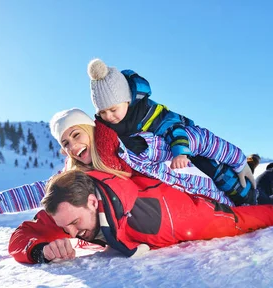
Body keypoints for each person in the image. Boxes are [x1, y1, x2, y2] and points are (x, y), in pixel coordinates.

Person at [0, 109, 273, 222]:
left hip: (210, 191)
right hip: (192, 210)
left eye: (76, 134)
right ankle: (272, 171)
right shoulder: (82, 173)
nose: (73, 144)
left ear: (89, 129)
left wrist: (234, 160)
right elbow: (43, 191)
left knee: (258, 205)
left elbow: (190, 138)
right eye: (66, 142)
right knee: (254, 203)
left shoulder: (132, 145)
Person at [8, 169, 273, 264]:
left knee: (258, 199)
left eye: (74, 224)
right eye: (63, 227)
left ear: (93, 202)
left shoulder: (159, 219)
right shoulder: (69, 205)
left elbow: (231, 221)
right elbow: (21, 237)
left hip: (210, 200)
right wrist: (39, 251)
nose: (68, 234)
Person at [88, 58, 253, 205]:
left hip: (192, 152)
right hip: (169, 171)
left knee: (230, 182)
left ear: (127, 100)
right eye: (102, 112)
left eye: (112, 109)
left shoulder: (149, 112)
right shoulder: (109, 127)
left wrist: (180, 152)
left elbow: (173, 127)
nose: (108, 116)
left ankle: (260, 186)